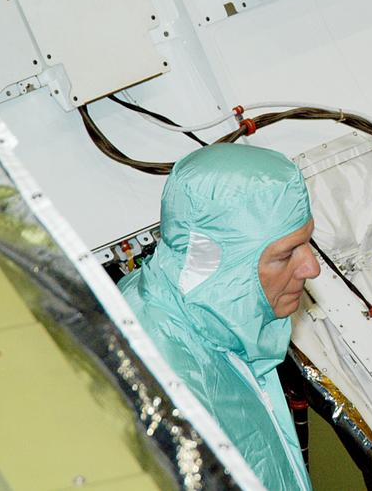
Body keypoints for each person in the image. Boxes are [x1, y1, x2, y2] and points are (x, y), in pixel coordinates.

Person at [121, 143, 319, 491]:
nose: (311, 267)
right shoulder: (162, 387)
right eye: (285, 254)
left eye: (307, 243)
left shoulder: (221, 326)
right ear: (222, 266)